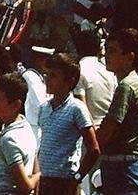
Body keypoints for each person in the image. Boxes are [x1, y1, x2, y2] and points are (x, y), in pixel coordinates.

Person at [98, 28, 138, 195]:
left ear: (130, 57)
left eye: (113, 51)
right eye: (107, 50)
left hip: (122, 169)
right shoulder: (130, 83)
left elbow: (109, 128)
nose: (107, 55)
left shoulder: (127, 87)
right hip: (124, 166)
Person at [38, 53, 101, 195]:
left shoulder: (76, 109)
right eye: (47, 75)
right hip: (44, 180)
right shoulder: (44, 108)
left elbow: (93, 149)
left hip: (65, 183)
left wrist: (76, 179)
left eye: (53, 76)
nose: (48, 80)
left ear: (69, 81)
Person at [0, 73, 40, 195]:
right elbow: (35, 163)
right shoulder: (26, 127)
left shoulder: (9, 139)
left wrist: (38, 175)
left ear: (16, 105)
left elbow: (26, 185)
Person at [22, 46, 51, 144]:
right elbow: (39, 104)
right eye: (47, 61)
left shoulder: (40, 77)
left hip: (40, 127)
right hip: (32, 126)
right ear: (39, 61)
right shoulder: (30, 76)